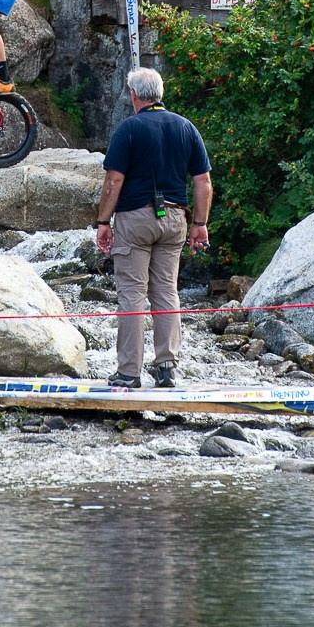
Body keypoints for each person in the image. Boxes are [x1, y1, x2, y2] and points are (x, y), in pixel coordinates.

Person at [93, 66, 213, 389]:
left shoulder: (129, 129)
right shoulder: (186, 128)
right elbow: (203, 182)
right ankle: (166, 368)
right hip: (175, 219)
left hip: (136, 217)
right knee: (166, 291)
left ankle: (129, 372)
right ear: (160, 94)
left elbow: (113, 181)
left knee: (132, 294)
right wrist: (199, 224)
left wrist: (104, 221)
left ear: (134, 96)